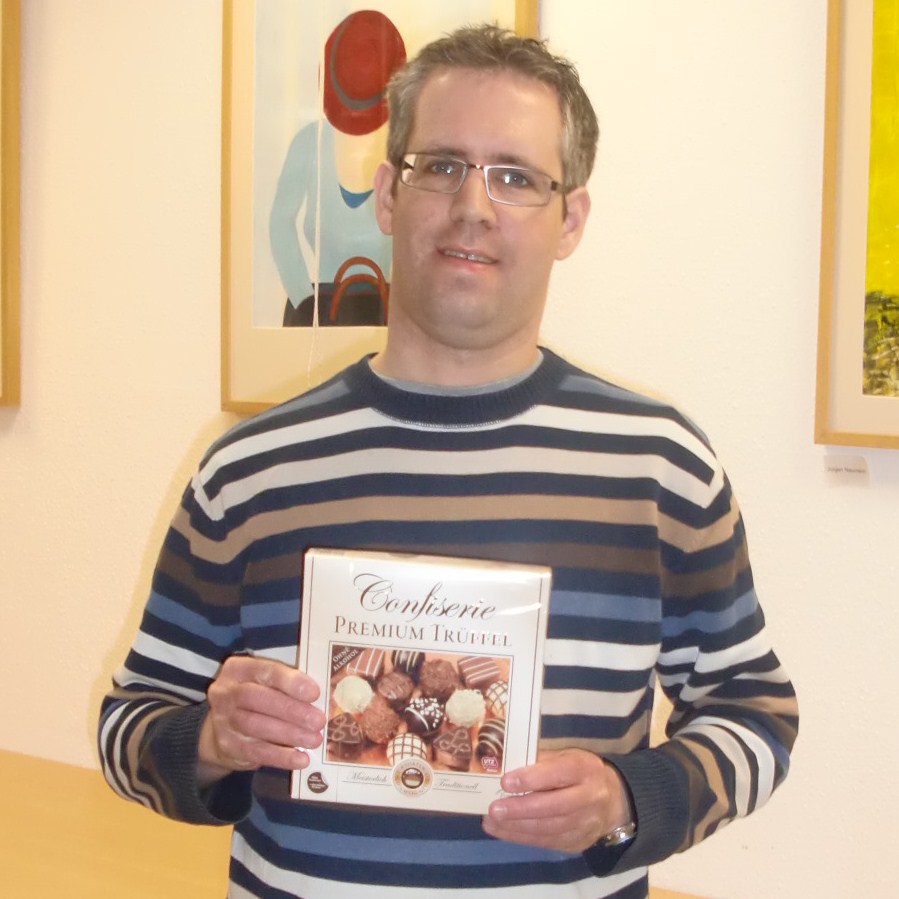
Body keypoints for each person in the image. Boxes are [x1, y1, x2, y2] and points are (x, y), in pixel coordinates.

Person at [99, 25, 798, 899]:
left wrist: (630, 796)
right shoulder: (250, 470)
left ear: (569, 219)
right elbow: (127, 724)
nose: (474, 204)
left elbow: (755, 714)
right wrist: (208, 742)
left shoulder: (660, 470)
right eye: (440, 166)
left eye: (515, 177)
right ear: (388, 195)